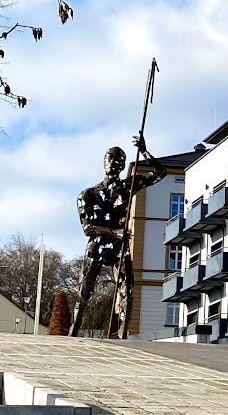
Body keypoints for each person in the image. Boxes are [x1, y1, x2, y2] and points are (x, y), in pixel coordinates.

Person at [69, 134, 165, 336]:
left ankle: (122, 334)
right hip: (97, 244)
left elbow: (160, 173)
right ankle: (73, 330)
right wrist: (115, 233)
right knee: (84, 290)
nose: (113, 163)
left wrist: (145, 151)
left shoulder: (128, 187)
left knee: (127, 289)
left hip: (119, 247)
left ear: (122, 166)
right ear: (103, 162)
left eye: (118, 160)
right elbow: (88, 228)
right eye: (109, 158)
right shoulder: (88, 194)